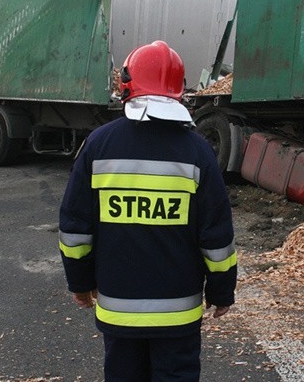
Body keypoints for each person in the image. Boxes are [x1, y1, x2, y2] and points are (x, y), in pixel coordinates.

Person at [58, 40, 237, 382]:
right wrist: (221, 290)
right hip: (178, 316)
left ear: (127, 82)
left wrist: (79, 282)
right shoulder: (198, 151)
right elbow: (216, 237)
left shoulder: (99, 144)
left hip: (119, 312)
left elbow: (75, 228)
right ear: (179, 90)